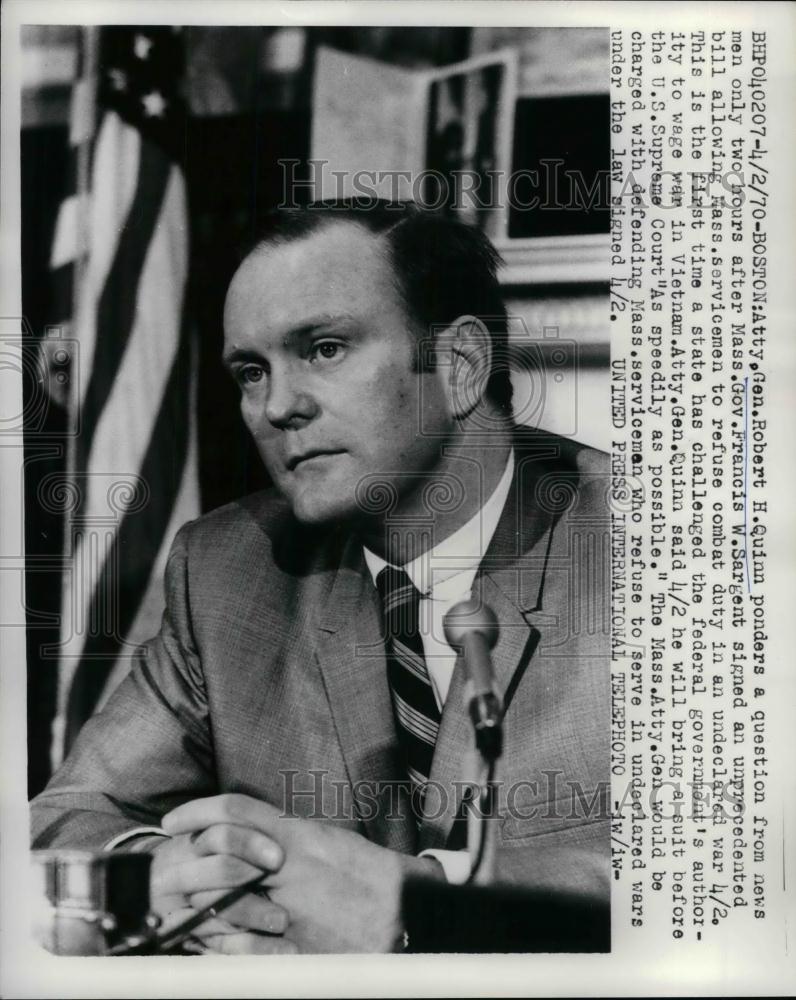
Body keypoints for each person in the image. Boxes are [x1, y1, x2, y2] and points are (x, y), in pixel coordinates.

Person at [30, 200, 611, 954]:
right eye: (252, 371)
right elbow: (63, 817)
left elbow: (730, 883)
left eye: (325, 349)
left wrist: (419, 906)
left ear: (460, 364)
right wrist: (166, 873)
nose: (277, 406)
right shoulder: (226, 568)